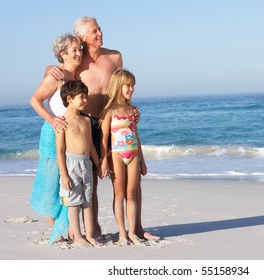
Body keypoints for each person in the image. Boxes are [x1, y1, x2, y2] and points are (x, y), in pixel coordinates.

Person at [47, 16, 159, 241]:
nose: (100, 33)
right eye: (94, 31)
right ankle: (94, 229)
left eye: (100, 29)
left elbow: (122, 87)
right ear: (82, 37)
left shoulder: (114, 56)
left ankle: (136, 227)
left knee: (131, 176)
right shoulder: (78, 61)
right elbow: (61, 70)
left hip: (115, 121)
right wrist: (49, 67)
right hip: (89, 123)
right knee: (91, 177)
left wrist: (130, 109)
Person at [29, 33, 83, 244]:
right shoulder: (56, 75)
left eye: (79, 49)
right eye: (74, 50)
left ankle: (67, 228)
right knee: (52, 182)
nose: (78, 53)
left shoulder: (75, 77)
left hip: (71, 137)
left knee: (67, 181)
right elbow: (35, 100)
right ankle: (56, 230)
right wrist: (52, 120)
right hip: (53, 135)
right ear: (63, 54)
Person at [99, 69, 146, 244]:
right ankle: (121, 233)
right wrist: (104, 161)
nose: (131, 89)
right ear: (118, 85)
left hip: (133, 154)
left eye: (133, 85)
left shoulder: (132, 110)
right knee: (119, 195)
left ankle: (132, 231)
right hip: (117, 155)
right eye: (127, 85)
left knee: (131, 194)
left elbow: (136, 135)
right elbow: (104, 139)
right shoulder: (109, 111)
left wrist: (142, 160)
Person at [56, 80, 102, 247]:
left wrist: (98, 165)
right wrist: (64, 174)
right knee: (73, 202)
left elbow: (90, 145)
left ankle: (89, 235)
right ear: (69, 98)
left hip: (86, 164)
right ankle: (78, 236)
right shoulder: (62, 122)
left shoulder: (87, 120)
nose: (85, 101)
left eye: (86, 97)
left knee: (87, 200)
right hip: (71, 163)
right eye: (82, 97)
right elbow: (60, 151)